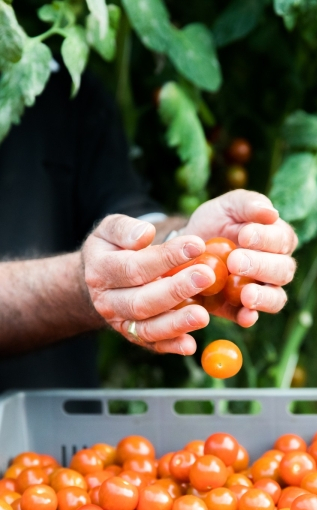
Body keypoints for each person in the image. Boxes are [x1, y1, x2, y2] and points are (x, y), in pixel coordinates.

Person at [0, 64, 297, 391]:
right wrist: (82, 284)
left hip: (53, 421)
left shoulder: (63, 82)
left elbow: (124, 208)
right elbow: (92, 276)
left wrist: (179, 245)